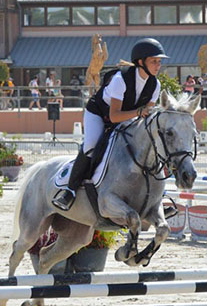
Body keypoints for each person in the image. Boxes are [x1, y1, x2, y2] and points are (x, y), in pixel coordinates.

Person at [52, 37, 165, 210]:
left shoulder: (155, 85)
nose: (158, 65)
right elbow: (114, 117)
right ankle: (70, 190)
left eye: (159, 61)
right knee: (91, 145)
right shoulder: (121, 79)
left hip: (127, 118)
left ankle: (156, 199)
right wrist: (138, 113)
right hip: (99, 114)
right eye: (154, 61)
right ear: (141, 62)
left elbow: (145, 116)